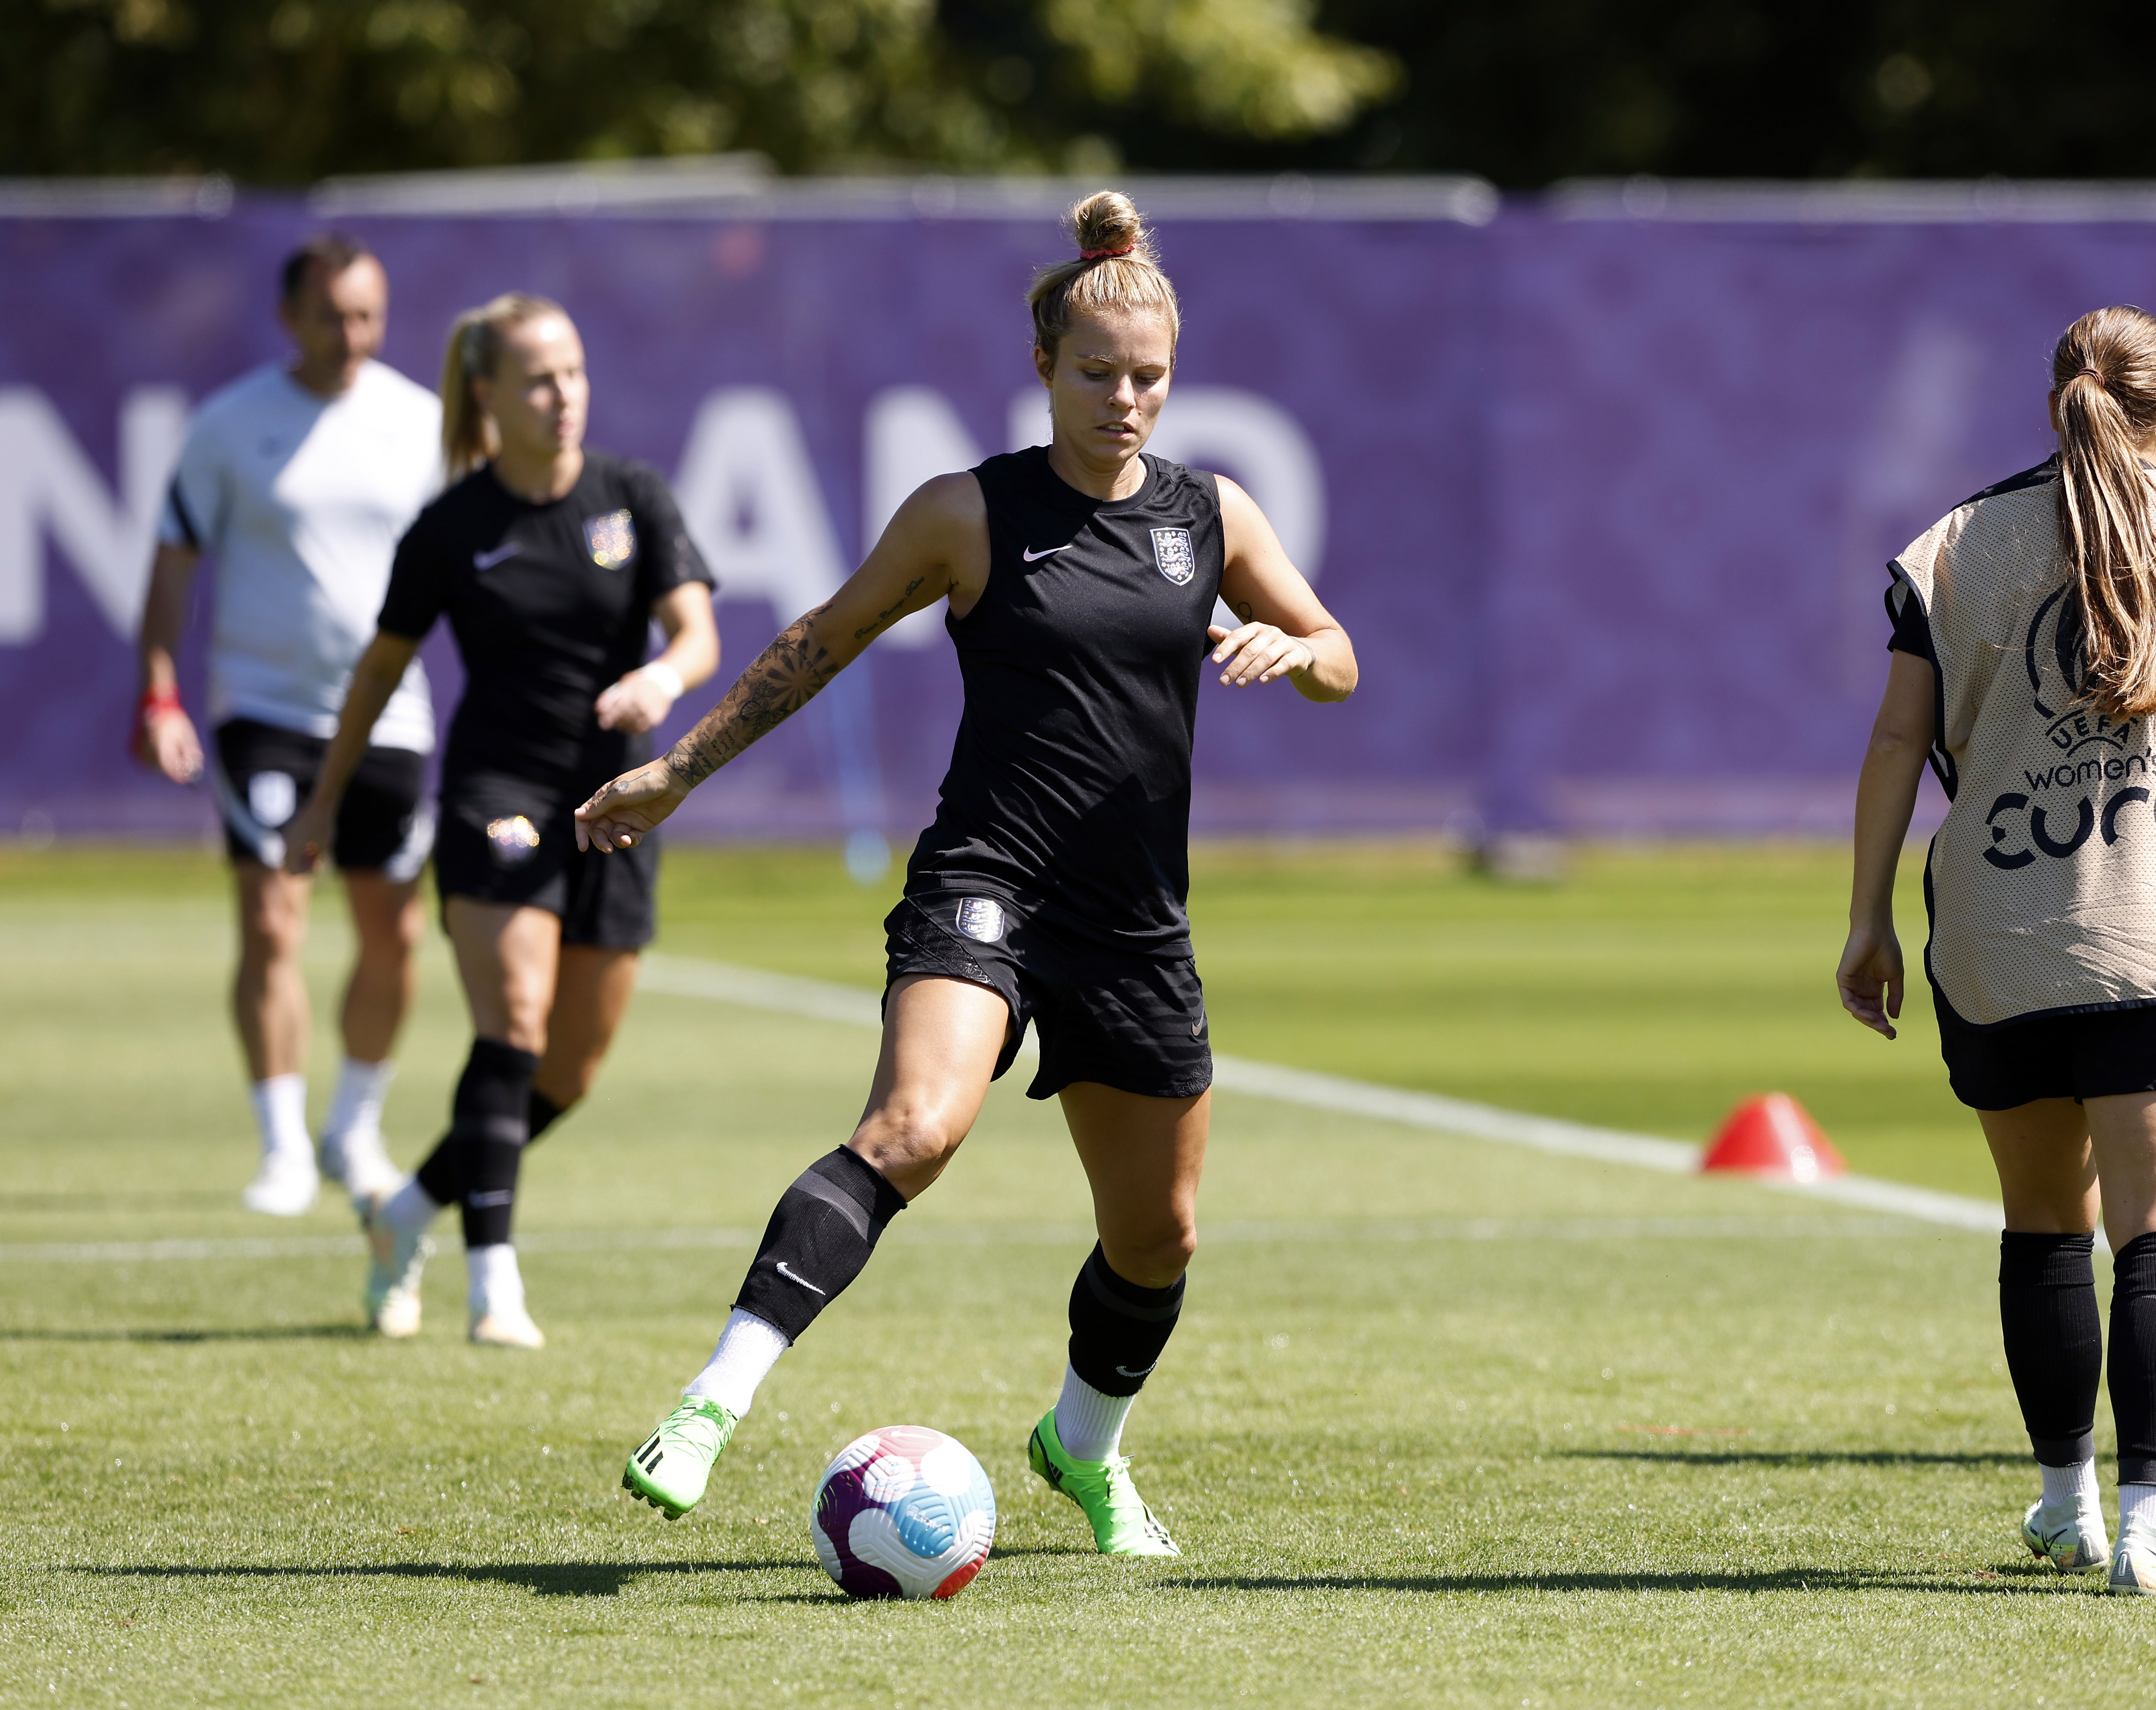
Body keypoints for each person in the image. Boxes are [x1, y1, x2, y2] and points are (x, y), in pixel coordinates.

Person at [578, 192, 1356, 1555]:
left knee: (1158, 1240)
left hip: (1135, 920)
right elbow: (815, 644)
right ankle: (712, 1400)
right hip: (985, 881)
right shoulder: (967, 512)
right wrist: (679, 771)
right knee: (914, 1130)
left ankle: (1084, 1447)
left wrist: (1299, 652)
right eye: (1100, 374)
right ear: (1045, 368)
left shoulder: (1212, 513)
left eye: (1152, 378)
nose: (1128, 400)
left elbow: (1342, 656)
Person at [1838, 306, 2156, 1596]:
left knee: (2043, 1228)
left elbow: (1897, 744)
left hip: (2002, 938)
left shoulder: (1954, 544)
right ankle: (2154, 1530)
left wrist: (1867, 920)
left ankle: (2066, 1501)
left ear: (2053, 406)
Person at [279, 292, 719, 1348]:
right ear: (488, 393)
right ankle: (494, 1281)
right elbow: (380, 671)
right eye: (536, 378)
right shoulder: (452, 527)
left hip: (617, 804)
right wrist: (325, 799)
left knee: (564, 1071)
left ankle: (405, 1210)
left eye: (571, 372)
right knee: (512, 1023)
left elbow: (697, 632)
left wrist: (661, 680)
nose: (561, 394)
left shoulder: (633, 495)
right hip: (497, 798)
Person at [133, 233, 445, 1216]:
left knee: (393, 933)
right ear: (289, 317)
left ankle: (353, 1126)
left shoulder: (425, 424)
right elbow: (173, 565)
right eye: (331, 315)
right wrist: (158, 691)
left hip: (391, 717)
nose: (351, 335)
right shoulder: (229, 427)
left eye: (367, 315)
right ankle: (280, 1146)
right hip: (263, 712)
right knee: (273, 916)